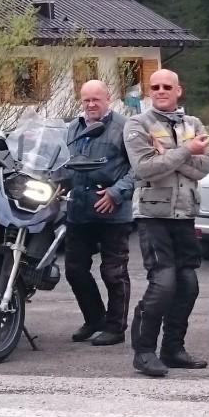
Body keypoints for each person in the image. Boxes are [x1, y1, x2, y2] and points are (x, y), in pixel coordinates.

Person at [123, 69, 209, 377]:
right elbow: (144, 169)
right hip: (153, 216)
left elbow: (204, 169)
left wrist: (171, 155)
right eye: (155, 87)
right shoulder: (137, 124)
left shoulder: (194, 124)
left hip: (185, 215)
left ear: (178, 90)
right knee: (163, 284)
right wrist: (187, 151)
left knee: (188, 285)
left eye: (166, 86)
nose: (160, 91)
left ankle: (173, 349)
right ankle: (144, 352)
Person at [62, 79, 136, 347]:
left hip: (112, 213)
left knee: (113, 272)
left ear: (108, 99)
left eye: (96, 99)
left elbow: (138, 167)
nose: (91, 104)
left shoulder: (125, 128)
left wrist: (116, 193)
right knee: (74, 270)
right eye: (86, 100)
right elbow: (63, 162)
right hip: (79, 210)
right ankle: (94, 319)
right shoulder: (72, 128)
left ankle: (116, 327)